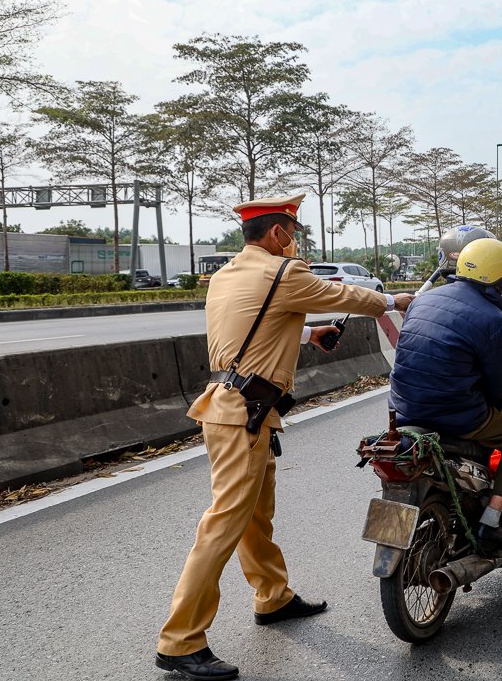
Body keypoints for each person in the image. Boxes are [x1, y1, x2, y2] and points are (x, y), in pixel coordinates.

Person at [156, 193, 413, 681]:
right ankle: (179, 641)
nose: (294, 243)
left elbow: (245, 331)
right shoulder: (284, 273)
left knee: (255, 514)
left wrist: (306, 335)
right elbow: (346, 295)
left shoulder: (228, 275)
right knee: (224, 522)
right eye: (292, 234)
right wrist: (392, 300)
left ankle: (272, 596)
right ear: (277, 234)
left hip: (232, 408)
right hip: (244, 414)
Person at [389, 237, 502, 553]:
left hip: (403, 408)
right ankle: (490, 523)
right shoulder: (496, 320)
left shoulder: (421, 301)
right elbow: (498, 390)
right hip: (457, 413)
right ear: (500, 276)